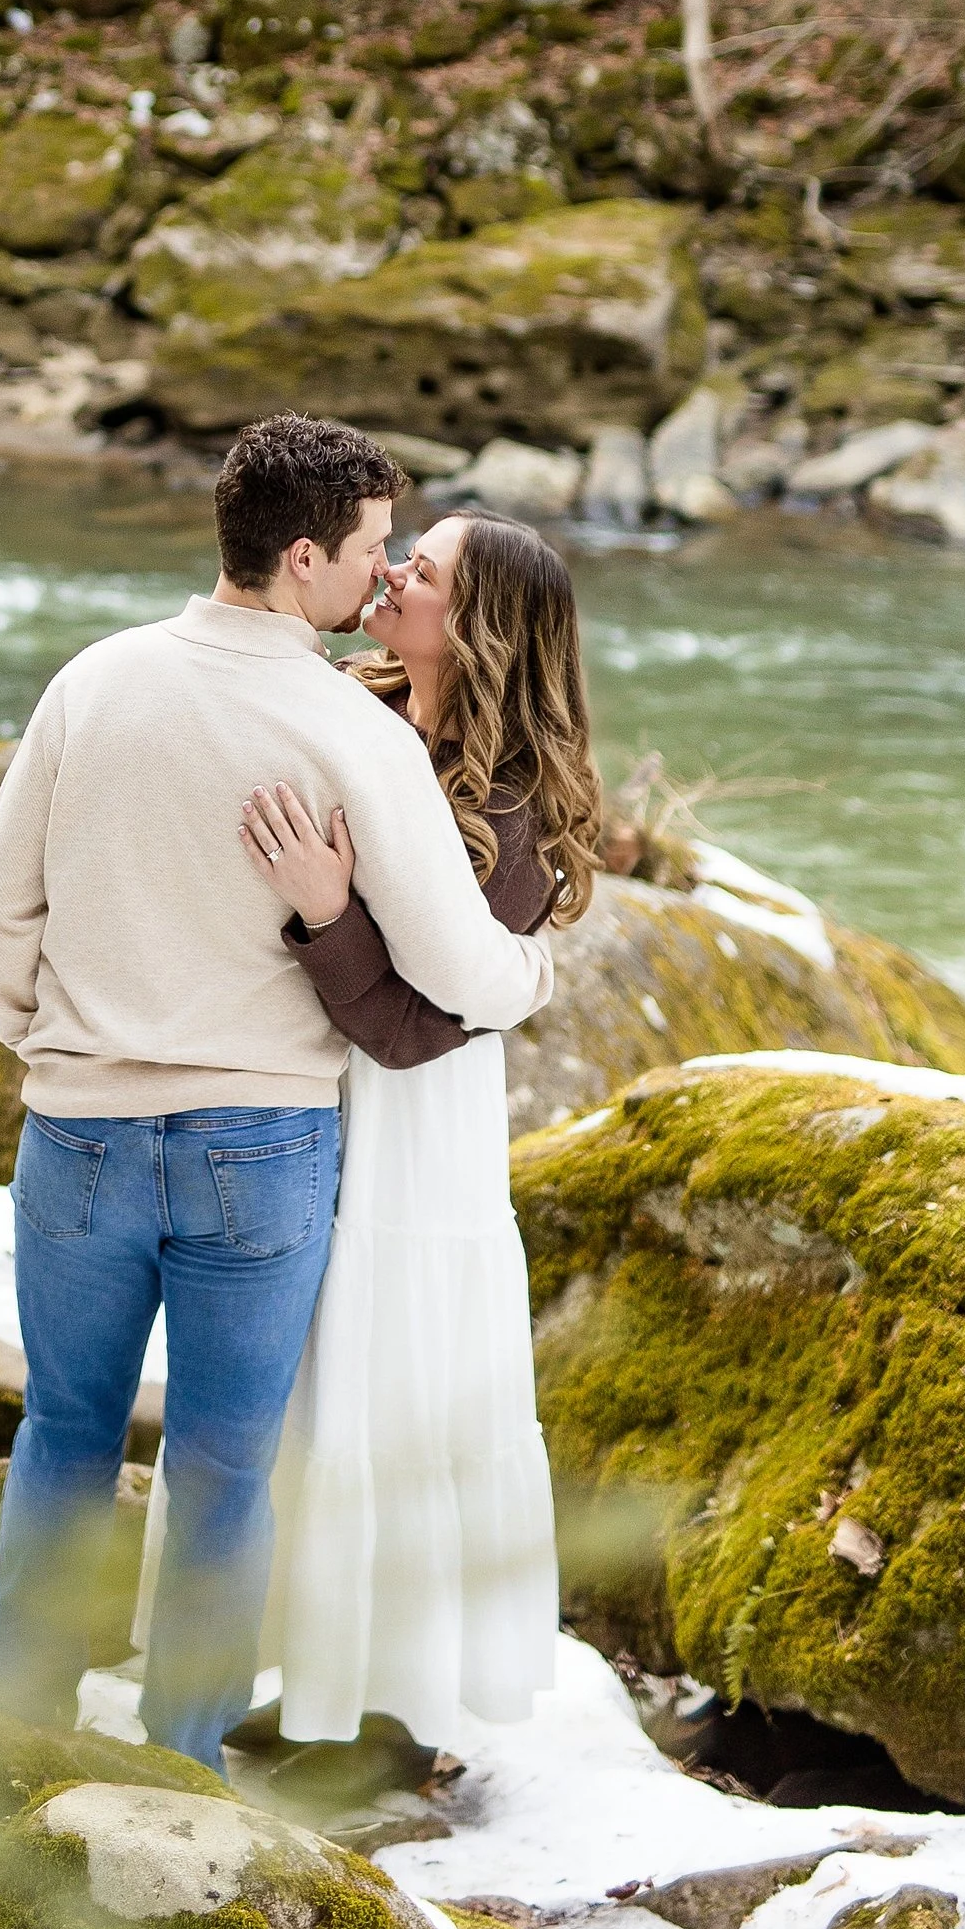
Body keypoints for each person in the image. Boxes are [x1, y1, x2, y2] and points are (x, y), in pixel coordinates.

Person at [0, 417, 558, 1771]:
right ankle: (178, 1766)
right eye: (366, 551)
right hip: (262, 1148)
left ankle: (15, 1726)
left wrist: (46, 1043)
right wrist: (531, 966)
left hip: (81, 1130)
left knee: (61, 1431)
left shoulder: (94, 680)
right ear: (303, 557)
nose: (383, 573)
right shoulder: (349, 730)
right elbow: (461, 966)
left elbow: (6, 901)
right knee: (224, 1473)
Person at [227, 511, 605, 1746]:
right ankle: (305, 1676)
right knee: (310, 1386)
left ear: (478, 624)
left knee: (390, 1390)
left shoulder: (518, 810)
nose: (390, 573)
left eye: (421, 569)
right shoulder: (354, 705)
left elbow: (409, 1024)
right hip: (301, 1091)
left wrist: (328, 911)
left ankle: (387, 1718)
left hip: (416, 1130)